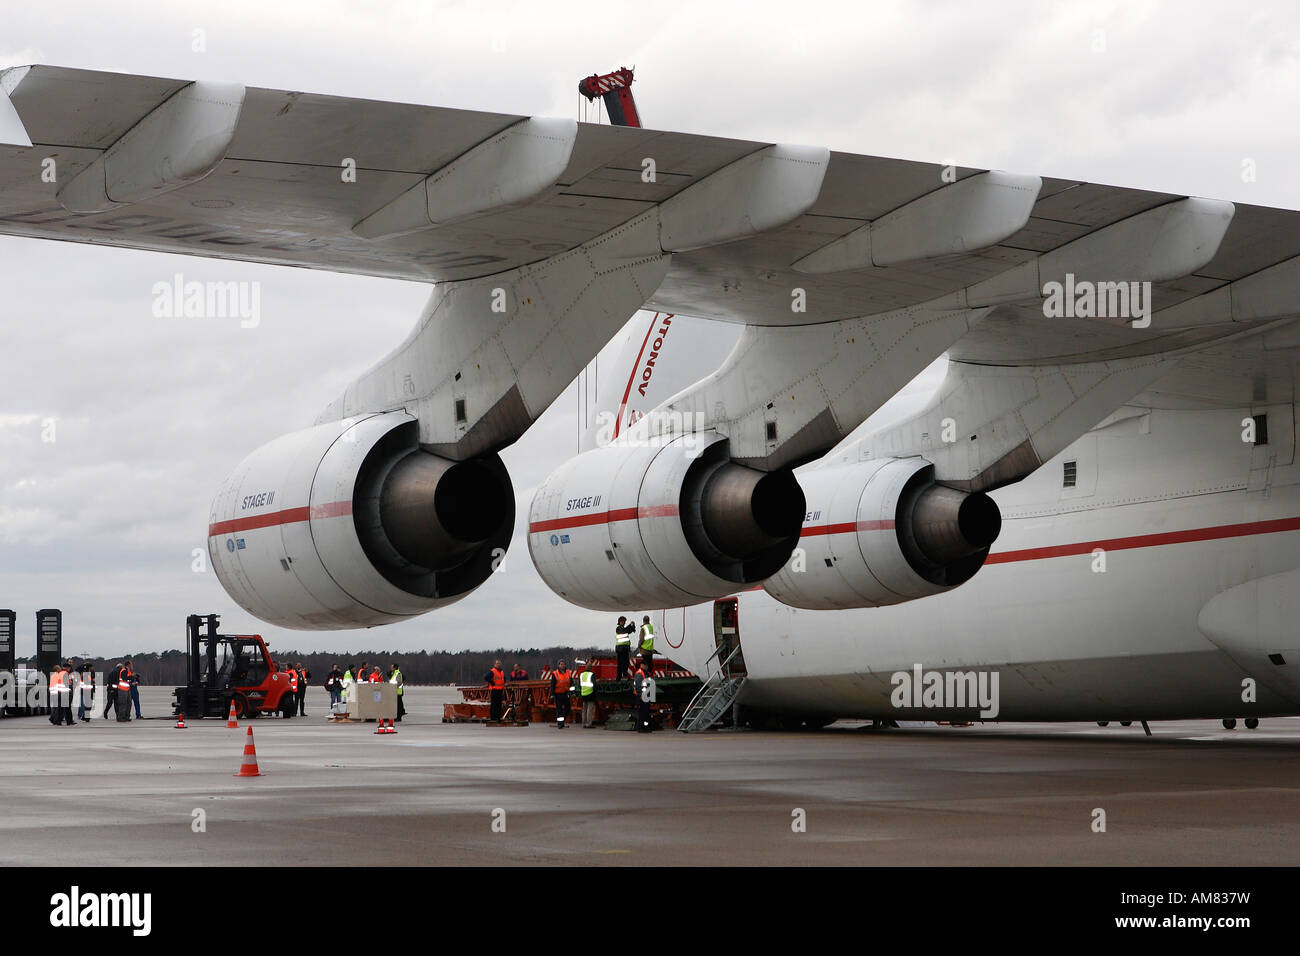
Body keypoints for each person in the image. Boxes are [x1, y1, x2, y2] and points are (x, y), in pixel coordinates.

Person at [633, 658, 656, 733]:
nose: (646, 667)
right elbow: (638, 686)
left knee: (645, 712)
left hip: (647, 696)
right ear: (642, 665)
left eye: (647, 665)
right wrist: (641, 695)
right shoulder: (640, 673)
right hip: (642, 696)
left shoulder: (647, 673)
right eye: (645, 665)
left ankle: (645, 727)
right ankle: (640, 727)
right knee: (641, 712)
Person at [550, 660, 573, 730]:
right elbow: (552, 685)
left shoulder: (568, 673)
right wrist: (552, 694)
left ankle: (562, 720)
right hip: (558, 694)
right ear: (558, 665)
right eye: (561, 664)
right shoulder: (555, 674)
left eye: (563, 664)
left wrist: (573, 692)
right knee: (559, 709)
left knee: (568, 708)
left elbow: (571, 683)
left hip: (566, 693)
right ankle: (560, 724)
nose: (562, 665)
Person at [578, 664, 596, 728]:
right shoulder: (591, 675)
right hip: (590, 693)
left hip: (583, 694)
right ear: (591, 668)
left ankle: (584, 723)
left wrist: (583, 691)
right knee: (590, 709)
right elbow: (594, 685)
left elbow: (580, 685)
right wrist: (594, 692)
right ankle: (589, 724)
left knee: (584, 709)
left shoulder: (582, 675)